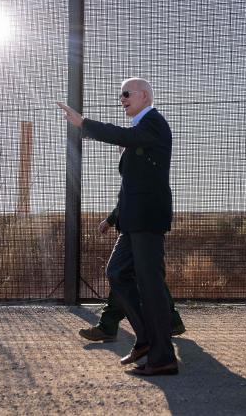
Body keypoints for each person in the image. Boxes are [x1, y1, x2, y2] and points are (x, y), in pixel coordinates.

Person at [57, 77, 178, 376]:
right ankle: (147, 339)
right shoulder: (140, 129)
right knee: (116, 272)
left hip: (147, 220)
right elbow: (131, 185)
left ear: (145, 96)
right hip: (131, 221)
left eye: (126, 93)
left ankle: (163, 357)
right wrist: (113, 219)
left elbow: (124, 137)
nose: (121, 98)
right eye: (120, 95)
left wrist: (85, 124)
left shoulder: (154, 122)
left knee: (151, 286)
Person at [79, 210, 185, 342]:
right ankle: (171, 322)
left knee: (119, 273)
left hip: (138, 224)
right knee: (137, 274)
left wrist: (111, 219)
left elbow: (131, 195)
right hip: (147, 223)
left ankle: (111, 327)